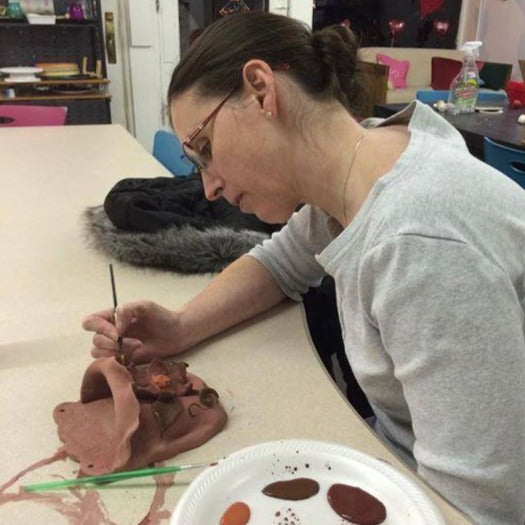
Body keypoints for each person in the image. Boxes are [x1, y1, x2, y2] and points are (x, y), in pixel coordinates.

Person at [82, 12, 525, 525]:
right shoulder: (368, 161)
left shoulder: (419, 244)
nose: (208, 189)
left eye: (205, 150)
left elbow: (480, 507)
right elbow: (280, 263)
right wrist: (180, 326)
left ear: (261, 90)